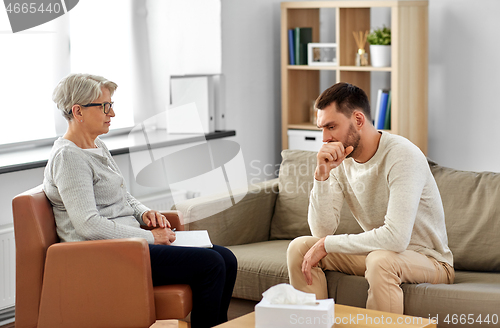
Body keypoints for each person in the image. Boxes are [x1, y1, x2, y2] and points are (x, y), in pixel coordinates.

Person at [43, 73, 237, 328]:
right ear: (78, 111)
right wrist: (150, 238)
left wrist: (143, 213)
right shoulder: (69, 158)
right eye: (105, 106)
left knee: (226, 258)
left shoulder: (96, 145)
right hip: (104, 255)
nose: (111, 113)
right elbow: (88, 225)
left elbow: (122, 195)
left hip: (128, 245)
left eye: (110, 105)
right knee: (211, 264)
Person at [287, 82, 454, 314]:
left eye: (331, 126)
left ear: (357, 120)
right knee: (300, 248)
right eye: (321, 129)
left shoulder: (402, 154)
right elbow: (321, 231)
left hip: (430, 260)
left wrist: (328, 244)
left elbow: (396, 239)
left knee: (380, 261)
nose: (324, 138)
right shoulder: (339, 160)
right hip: (379, 252)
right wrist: (322, 175)